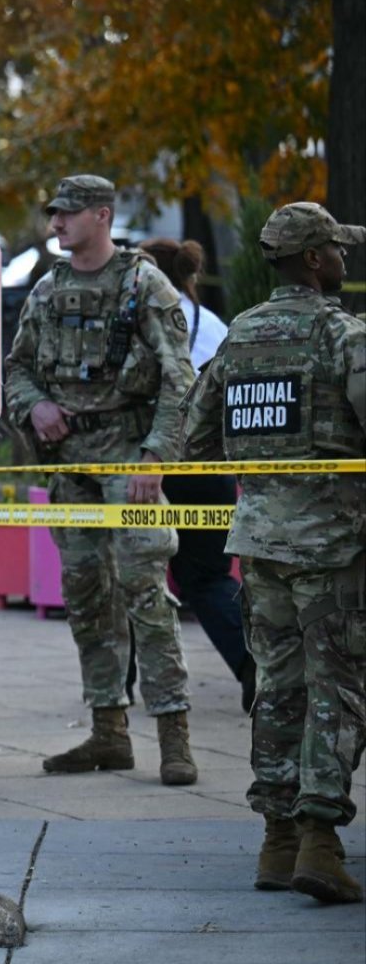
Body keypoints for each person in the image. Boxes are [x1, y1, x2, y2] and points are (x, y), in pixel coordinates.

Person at [179, 202, 366, 904]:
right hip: (336, 550)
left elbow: (196, 441)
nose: (346, 261)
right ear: (315, 261)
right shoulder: (345, 335)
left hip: (258, 548)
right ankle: (320, 838)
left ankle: (276, 841)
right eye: (338, 252)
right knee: (338, 690)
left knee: (277, 690)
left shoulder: (239, 340)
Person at [4, 174, 200, 785]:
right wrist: (34, 405)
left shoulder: (144, 284)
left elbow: (179, 379)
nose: (56, 224)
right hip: (70, 468)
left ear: (102, 216)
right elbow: (16, 371)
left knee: (145, 593)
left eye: (68, 214)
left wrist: (154, 458)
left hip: (128, 462)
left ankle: (173, 734)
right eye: (54, 213)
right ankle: (108, 731)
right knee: (87, 597)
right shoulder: (46, 291)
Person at [139, 237, 250, 698]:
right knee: (207, 578)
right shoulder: (215, 324)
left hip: (153, 463)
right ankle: (252, 668)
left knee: (132, 577)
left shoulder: (149, 317)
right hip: (211, 466)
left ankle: (119, 690)